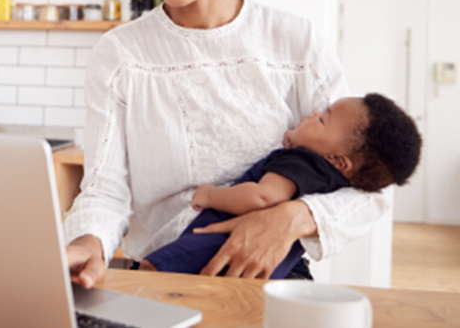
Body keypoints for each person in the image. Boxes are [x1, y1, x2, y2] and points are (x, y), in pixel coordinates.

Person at [65, 0, 390, 288]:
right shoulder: (120, 55)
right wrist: (88, 243)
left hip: (272, 275)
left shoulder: (294, 43)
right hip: (161, 272)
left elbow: (367, 184)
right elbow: (104, 190)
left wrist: (291, 218)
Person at [140, 93, 422, 276]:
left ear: (338, 160)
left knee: (152, 270)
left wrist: (210, 194)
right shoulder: (331, 179)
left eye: (322, 119)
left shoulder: (301, 162)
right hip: (272, 265)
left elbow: (263, 197)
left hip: (221, 243)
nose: (312, 114)